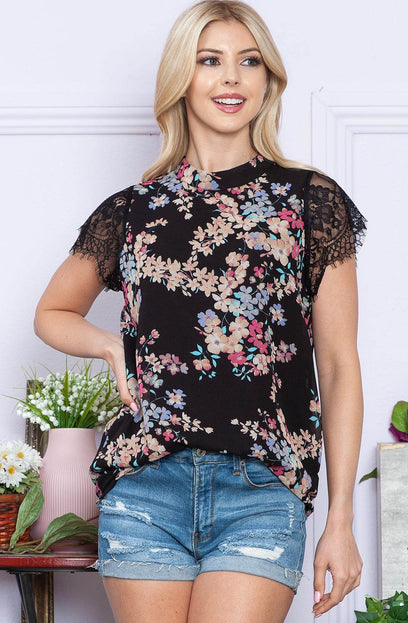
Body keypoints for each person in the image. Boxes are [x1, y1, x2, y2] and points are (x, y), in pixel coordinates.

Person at [34, 1, 365, 621]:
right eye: (210, 61)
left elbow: (340, 366)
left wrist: (341, 519)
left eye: (249, 61)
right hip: (145, 487)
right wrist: (109, 346)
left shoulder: (307, 202)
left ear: (268, 81)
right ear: (181, 79)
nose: (231, 77)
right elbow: (52, 312)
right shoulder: (133, 211)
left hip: (261, 491)